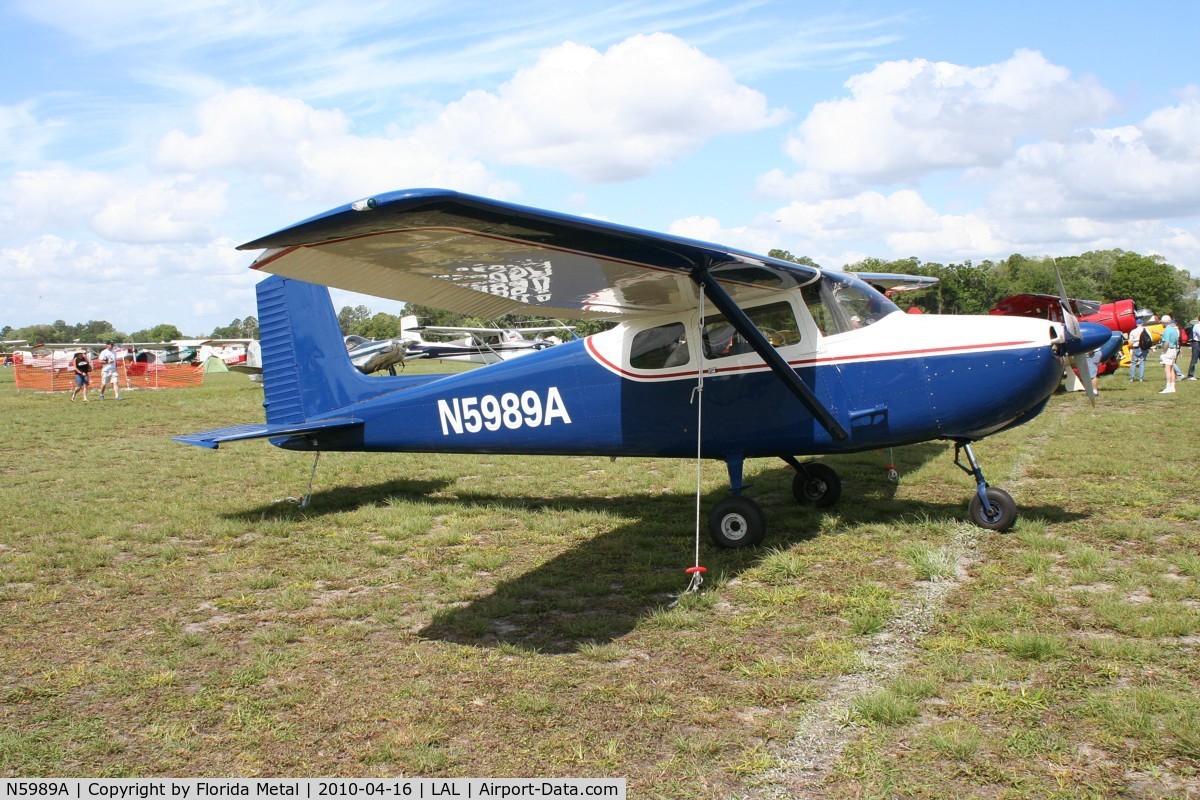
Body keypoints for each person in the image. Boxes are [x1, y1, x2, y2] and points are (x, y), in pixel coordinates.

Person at [1160, 315, 1181, 394]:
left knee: (1167, 369)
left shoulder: (1167, 330)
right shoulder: (1174, 329)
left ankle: (1168, 387)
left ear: (1164, 322)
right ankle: (1172, 386)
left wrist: (1163, 351)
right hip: (1174, 349)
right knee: (1172, 368)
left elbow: (1167, 342)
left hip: (1168, 350)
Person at [1128, 317, 1150, 382]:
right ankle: (1140, 378)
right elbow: (1150, 339)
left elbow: (1130, 341)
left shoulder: (1133, 331)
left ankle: (1131, 378)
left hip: (1136, 347)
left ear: (1136, 324)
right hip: (1144, 348)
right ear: (1142, 323)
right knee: (1142, 363)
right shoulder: (1146, 330)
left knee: (1133, 363)